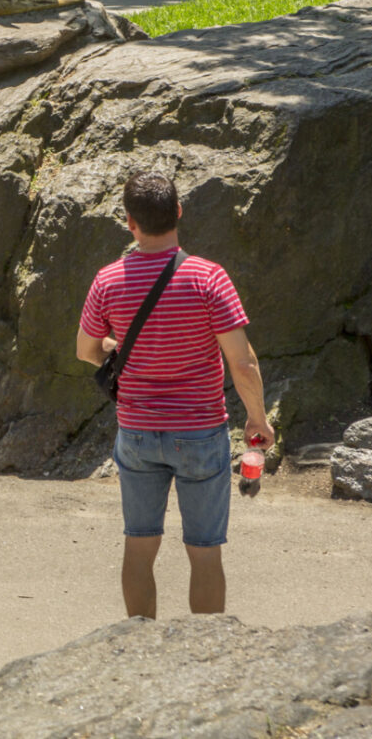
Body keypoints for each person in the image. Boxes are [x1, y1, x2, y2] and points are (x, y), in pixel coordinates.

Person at [75, 170, 273, 620]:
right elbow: (242, 363)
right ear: (179, 212)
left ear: (130, 222)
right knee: (204, 551)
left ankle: (141, 643)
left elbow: (87, 351)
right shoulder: (209, 278)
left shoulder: (108, 280)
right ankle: (202, 655)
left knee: (139, 545)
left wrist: (117, 346)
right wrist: (258, 419)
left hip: (138, 431)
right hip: (201, 432)